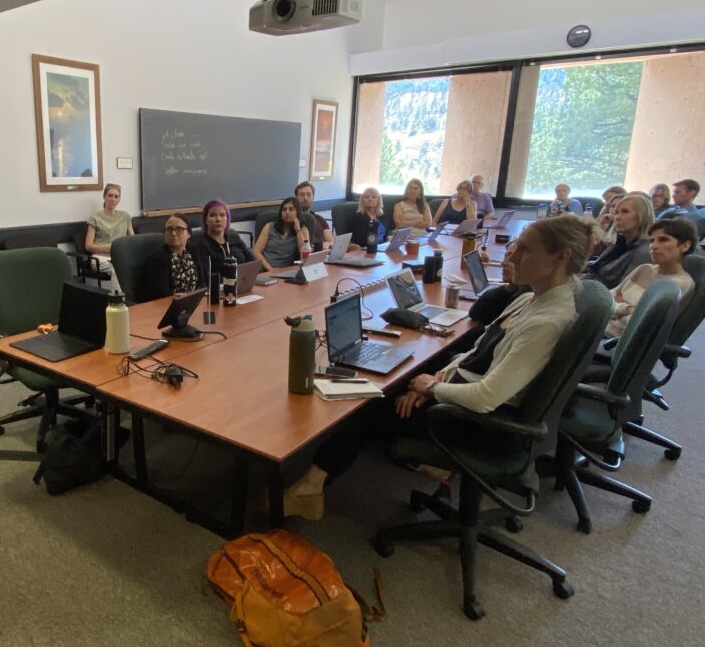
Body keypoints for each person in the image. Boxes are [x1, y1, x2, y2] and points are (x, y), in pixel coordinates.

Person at [283, 214, 597, 520]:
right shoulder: (531, 300)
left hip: (481, 424)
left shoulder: (546, 322)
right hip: (463, 393)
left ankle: (309, 489)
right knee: (403, 381)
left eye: (526, 248)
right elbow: (475, 351)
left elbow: (486, 397)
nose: (514, 254)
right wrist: (436, 378)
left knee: (369, 402)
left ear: (561, 256)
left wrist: (433, 390)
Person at [605, 217, 697, 338]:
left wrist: (620, 306)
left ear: (685, 246)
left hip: (615, 339)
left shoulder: (679, 284)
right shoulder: (644, 269)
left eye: (663, 240)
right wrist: (629, 309)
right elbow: (607, 298)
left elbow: (640, 322)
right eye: (652, 241)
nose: (653, 246)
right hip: (601, 324)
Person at [584, 193, 655, 289]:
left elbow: (623, 290)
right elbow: (595, 268)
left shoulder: (644, 252)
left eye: (625, 212)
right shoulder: (621, 243)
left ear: (642, 216)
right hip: (589, 286)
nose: (617, 217)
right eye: (616, 212)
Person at [85, 183, 134, 293]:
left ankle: (136, 299)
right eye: (110, 195)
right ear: (104, 197)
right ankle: (119, 302)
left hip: (120, 255)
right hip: (101, 257)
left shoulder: (125, 216)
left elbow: (132, 239)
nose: (113, 199)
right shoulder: (95, 218)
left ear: (119, 199)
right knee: (117, 269)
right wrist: (110, 248)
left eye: (116, 197)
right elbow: (88, 246)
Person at [143, 214, 204, 300]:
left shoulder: (193, 250)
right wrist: (185, 298)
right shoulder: (156, 258)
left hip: (194, 302)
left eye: (179, 229)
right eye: (169, 229)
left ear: (189, 234)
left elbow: (202, 282)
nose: (173, 233)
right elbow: (162, 294)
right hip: (169, 305)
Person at [189, 198, 255, 275]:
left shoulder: (233, 236)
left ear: (227, 218)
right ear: (206, 219)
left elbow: (253, 262)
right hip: (217, 285)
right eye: (212, 215)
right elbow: (205, 276)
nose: (218, 219)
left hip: (242, 282)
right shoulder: (199, 244)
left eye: (222, 215)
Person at [253, 196, 311, 271]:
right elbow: (256, 251)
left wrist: (297, 230)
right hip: (264, 268)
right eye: (284, 209)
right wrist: (270, 269)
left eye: (291, 209)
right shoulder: (269, 226)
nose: (287, 212)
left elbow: (304, 254)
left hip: (285, 271)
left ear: (298, 212)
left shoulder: (303, 230)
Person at [295, 181, 334, 251]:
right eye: (302, 195)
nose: (305, 198)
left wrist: (328, 245)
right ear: (296, 197)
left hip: (324, 254)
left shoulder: (319, 219)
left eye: (309, 194)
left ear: (313, 197)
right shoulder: (294, 220)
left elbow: (331, 241)